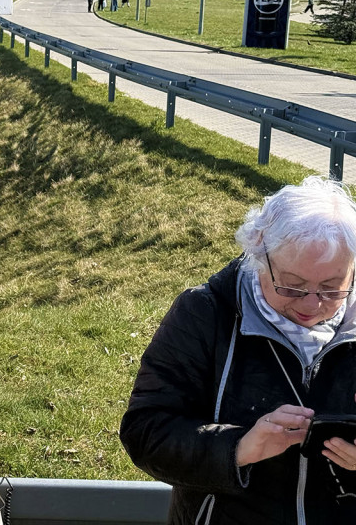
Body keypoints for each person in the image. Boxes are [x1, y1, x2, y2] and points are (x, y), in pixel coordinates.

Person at [121, 176, 356, 524]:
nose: (312, 303)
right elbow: (146, 432)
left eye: (332, 288)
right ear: (259, 255)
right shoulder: (205, 313)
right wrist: (239, 448)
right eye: (292, 286)